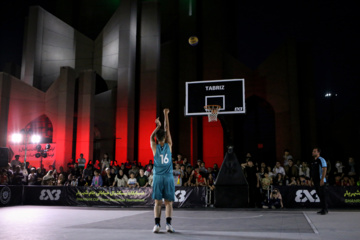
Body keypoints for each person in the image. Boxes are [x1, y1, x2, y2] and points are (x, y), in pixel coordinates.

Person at [150, 108, 175, 233]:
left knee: (157, 203)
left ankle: (157, 225)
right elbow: (167, 129)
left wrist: (157, 126)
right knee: (168, 203)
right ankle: (169, 225)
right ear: (165, 138)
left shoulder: (154, 146)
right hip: (168, 177)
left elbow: (150, 137)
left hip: (158, 177)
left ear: (157, 139)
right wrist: (166, 115)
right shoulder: (169, 145)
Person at [311, 147, 328, 215]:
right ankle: (322, 208)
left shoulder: (321, 159)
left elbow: (324, 169)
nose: (313, 152)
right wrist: (312, 180)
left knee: (323, 195)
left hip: (321, 180)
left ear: (318, 153)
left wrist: (322, 179)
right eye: (313, 151)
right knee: (319, 195)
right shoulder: (313, 161)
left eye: (314, 151)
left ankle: (325, 209)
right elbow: (313, 172)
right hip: (315, 181)